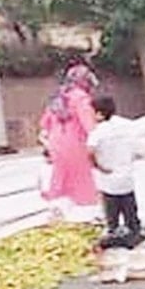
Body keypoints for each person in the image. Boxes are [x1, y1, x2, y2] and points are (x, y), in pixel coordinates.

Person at [39, 63, 99, 208]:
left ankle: (57, 210)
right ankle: (87, 212)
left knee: (60, 178)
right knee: (81, 180)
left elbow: (44, 124)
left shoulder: (58, 97)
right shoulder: (81, 98)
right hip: (76, 144)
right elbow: (89, 126)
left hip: (56, 144)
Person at [86, 95, 142, 249]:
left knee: (112, 212)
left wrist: (98, 166)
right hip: (127, 176)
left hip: (109, 179)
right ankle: (134, 234)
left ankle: (115, 236)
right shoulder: (125, 125)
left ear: (99, 114)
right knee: (130, 210)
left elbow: (89, 152)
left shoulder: (98, 132)